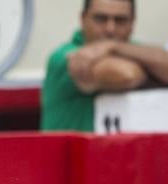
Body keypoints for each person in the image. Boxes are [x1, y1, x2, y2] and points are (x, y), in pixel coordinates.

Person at [42, 0, 168, 132]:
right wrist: (155, 73)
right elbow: (127, 75)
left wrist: (113, 46)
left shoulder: (127, 49)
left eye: (120, 20)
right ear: (83, 19)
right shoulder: (66, 57)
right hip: (71, 152)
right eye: (100, 19)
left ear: (132, 23)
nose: (110, 29)